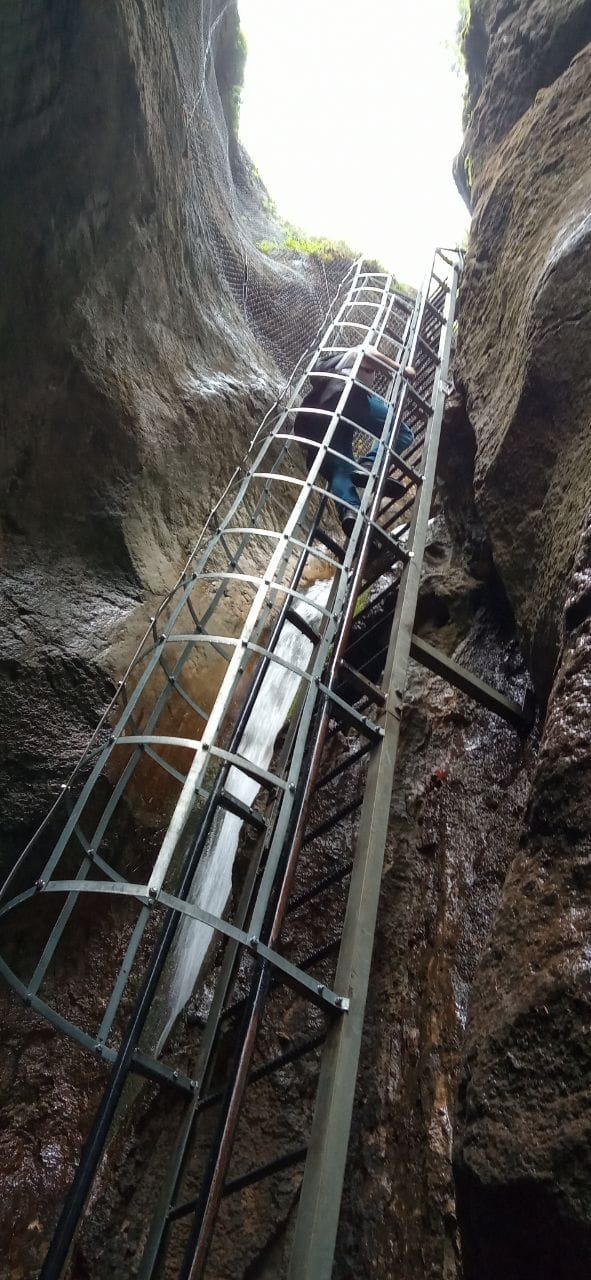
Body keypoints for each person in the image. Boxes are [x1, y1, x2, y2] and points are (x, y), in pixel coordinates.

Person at [296, 344, 416, 537]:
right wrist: (402, 369)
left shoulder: (329, 372)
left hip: (314, 421)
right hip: (347, 399)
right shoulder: (353, 355)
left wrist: (384, 372)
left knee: (340, 468)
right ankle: (369, 464)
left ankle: (351, 514)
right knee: (401, 432)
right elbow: (369, 353)